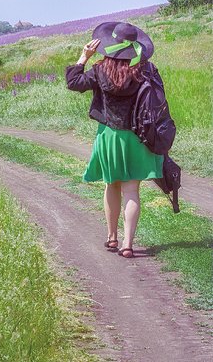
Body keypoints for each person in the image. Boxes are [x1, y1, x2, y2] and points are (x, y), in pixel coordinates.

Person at [65, 21, 164, 259]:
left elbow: (73, 83)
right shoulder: (145, 70)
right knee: (132, 191)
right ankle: (128, 245)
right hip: (137, 137)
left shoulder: (100, 69)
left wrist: (83, 57)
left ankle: (112, 237)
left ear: (111, 43)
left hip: (109, 136)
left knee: (112, 184)